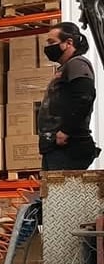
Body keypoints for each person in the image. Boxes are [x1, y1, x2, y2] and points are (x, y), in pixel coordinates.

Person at [38, 22, 101, 170]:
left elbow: (84, 97)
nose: (47, 47)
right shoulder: (67, 67)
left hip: (67, 147)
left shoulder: (77, 64)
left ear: (68, 43)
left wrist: (66, 131)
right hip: (56, 146)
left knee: (61, 191)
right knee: (53, 191)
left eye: (52, 42)